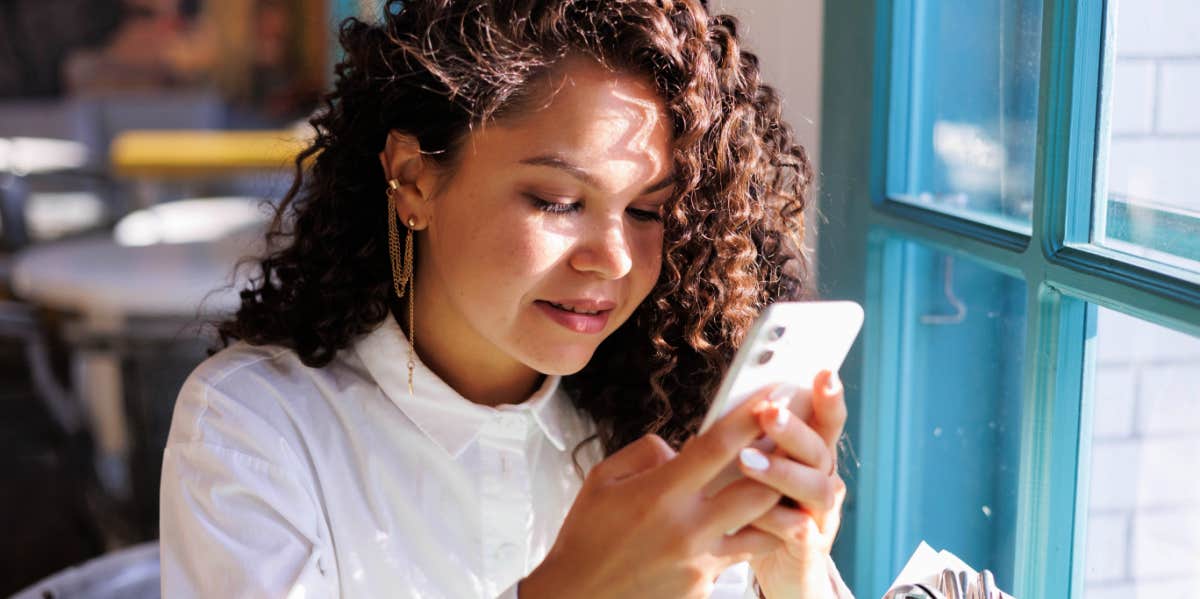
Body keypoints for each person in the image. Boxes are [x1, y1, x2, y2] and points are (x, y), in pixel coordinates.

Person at [158, 0, 854, 597]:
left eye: (647, 212)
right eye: (557, 201)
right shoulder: (255, 429)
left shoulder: (663, 420)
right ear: (412, 179)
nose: (611, 257)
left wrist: (791, 575)